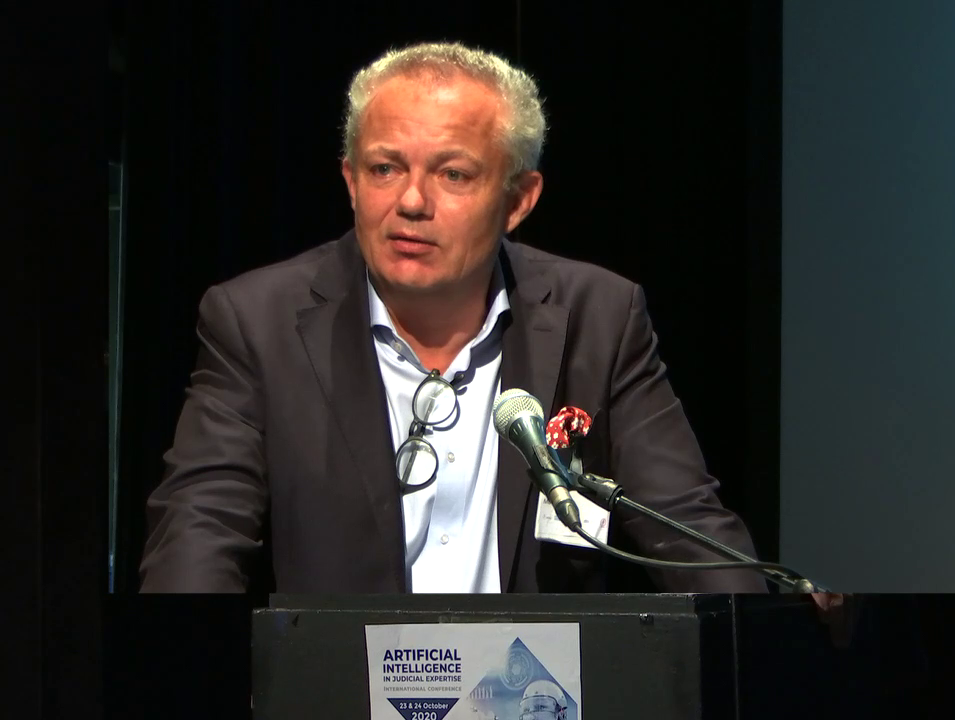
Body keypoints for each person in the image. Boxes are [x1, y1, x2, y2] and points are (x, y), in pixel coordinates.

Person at [138, 41, 769, 594]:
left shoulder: (598, 317)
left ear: (518, 200)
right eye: (385, 169)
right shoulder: (257, 321)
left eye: (453, 174)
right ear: (351, 181)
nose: (412, 201)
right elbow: (200, 529)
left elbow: (686, 526)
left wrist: (773, 631)